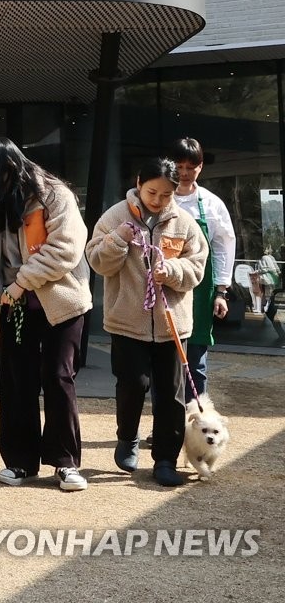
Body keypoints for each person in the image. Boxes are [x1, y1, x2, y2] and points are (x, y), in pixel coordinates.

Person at [0, 138, 93, 491]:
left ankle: (65, 462)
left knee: (58, 376)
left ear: (12, 166)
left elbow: (66, 248)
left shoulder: (53, 195)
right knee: (17, 383)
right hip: (13, 306)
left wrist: (22, 282)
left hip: (61, 303)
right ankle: (20, 462)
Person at [85, 158, 208, 487]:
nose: (158, 200)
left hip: (172, 325)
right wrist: (119, 239)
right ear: (139, 183)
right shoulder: (114, 216)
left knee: (171, 395)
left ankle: (166, 459)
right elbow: (97, 261)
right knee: (132, 385)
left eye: (166, 195)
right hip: (127, 322)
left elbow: (196, 266)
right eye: (152, 192)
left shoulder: (184, 224)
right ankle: (127, 437)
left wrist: (173, 272)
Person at [169, 138, 236, 396]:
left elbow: (223, 246)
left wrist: (221, 291)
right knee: (165, 363)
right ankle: (167, 426)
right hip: (168, 287)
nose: (185, 173)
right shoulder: (161, 198)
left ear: (201, 167)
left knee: (196, 361)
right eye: (179, 166)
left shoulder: (211, 203)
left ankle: (197, 425)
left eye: (191, 167)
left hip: (200, 289)